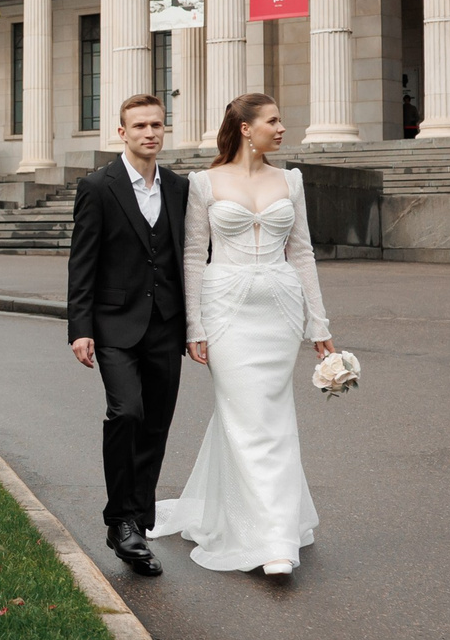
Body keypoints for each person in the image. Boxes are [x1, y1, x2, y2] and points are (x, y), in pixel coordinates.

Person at [151, 92, 336, 578]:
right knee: (246, 417)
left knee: (269, 418)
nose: (281, 128)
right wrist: (195, 325)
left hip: (279, 309)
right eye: (273, 121)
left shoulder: (289, 180)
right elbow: (193, 255)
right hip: (225, 308)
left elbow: (303, 254)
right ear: (245, 128)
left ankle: (272, 533)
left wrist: (319, 323)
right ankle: (270, 536)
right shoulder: (204, 183)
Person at [65, 92, 189, 577]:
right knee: (127, 412)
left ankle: (136, 522)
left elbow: (186, 258)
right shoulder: (98, 186)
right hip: (114, 324)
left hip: (167, 325)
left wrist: (194, 325)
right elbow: (83, 261)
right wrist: (80, 328)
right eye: (139, 126)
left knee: (155, 426)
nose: (149, 133)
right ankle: (121, 520)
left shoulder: (179, 187)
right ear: (122, 132)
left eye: (156, 125)